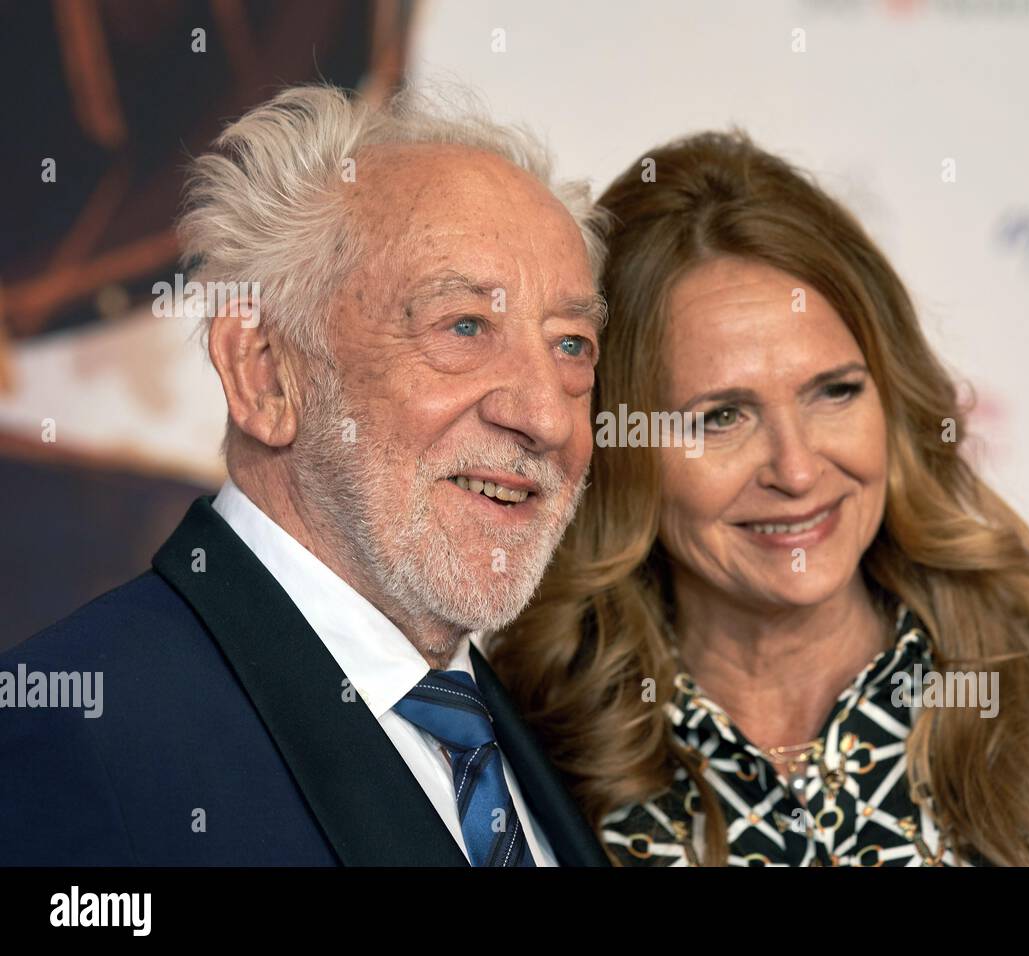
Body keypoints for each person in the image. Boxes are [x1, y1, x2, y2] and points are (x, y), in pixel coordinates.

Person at [488, 130, 1029, 867]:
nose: (796, 471)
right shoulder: (532, 734)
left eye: (835, 392)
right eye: (719, 417)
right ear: (619, 438)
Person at [0, 84, 611, 867]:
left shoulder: (538, 740)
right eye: (464, 326)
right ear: (264, 375)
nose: (547, 417)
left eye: (570, 345)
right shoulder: (65, 742)